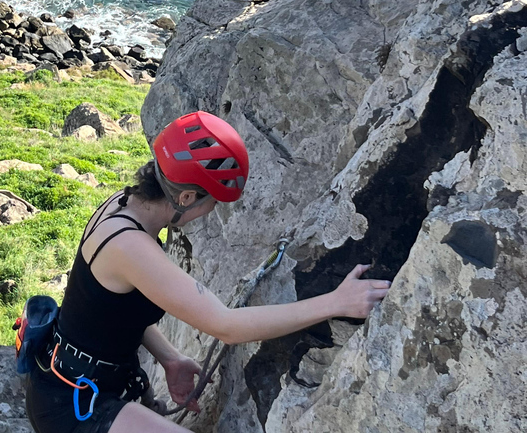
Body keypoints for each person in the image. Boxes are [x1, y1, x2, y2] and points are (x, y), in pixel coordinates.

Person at [25, 111, 390, 433]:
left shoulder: (125, 206)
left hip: (77, 383)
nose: (209, 213)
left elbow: (111, 310)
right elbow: (226, 326)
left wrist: (170, 358)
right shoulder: (129, 246)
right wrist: (335, 302)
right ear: (186, 198)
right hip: (73, 409)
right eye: (211, 203)